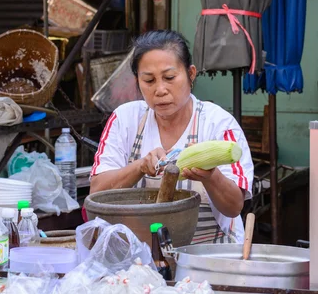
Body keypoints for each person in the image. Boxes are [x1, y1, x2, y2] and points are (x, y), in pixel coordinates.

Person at [89, 30, 254, 244]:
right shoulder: (125, 119)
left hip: (209, 253)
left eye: (169, 78)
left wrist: (210, 176)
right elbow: (96, 194)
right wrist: (139, 167)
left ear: (191, 74)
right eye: (149, 80)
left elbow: (234, 207)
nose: (160, 90)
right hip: (142, 254)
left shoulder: (218, 124)